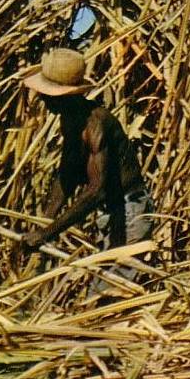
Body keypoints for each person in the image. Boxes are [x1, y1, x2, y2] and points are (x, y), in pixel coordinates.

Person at [19, 48, 153, 289]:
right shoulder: (70, 118)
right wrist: (44, 222)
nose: (42, 99)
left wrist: (49, 232)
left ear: (66, 95)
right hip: (111, 211)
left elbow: (96, 190)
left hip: (129, 211)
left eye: (48, 95)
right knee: (103, 288)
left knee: (109, 294)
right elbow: (67, 176)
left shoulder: (95, 124)